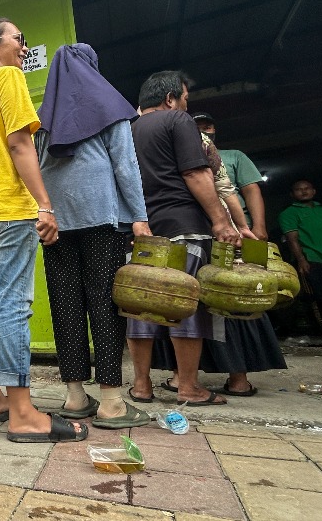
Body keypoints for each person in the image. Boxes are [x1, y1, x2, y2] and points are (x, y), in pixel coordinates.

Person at [0, 18, 86, 444]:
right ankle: (24, 414)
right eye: (17, 38)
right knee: (12, 304)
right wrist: (44, 205)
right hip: (7, 209)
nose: (23, 45)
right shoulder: (9, 78)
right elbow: (20, 144)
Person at [34, 43, 152, 429]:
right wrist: (139, 217)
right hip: (102, 218)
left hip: (55, 222)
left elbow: (33, 168)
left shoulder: (43, 115)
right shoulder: (110, 106)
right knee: (104, 301)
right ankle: (112, 402)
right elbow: (126, 166)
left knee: (65, 301)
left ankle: (74, 395)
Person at [126, 71, 239, 407]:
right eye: (185, 99)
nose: (186, 106)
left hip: (142, 233)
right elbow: (195, 172)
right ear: (171, 99)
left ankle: (142, 386)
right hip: (183, 224)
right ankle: (188, 386)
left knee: (142, 306)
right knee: (188, 305)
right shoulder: (178, 120)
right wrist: (221, 221)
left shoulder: (125, 131)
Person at [153, 114, 285, 397]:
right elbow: (221, 188)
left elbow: (237, 189)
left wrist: (249, 227)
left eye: (208, 126)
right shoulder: (189, 145)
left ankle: (229, 377)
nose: (203, 130)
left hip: (213, 230)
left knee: (220, 298)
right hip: (206, 229)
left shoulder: (224, 154)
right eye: (198, 125)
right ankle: (188, 378)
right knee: (211, 299)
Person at [278, 179, 322, 345]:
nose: (304, 191)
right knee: (320, 298)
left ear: (314, 191)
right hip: (313, 260)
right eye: (299, 189)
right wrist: (301, 260)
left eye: (307, 189)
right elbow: (292, 239)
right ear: (292, 194)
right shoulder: (288, 213)